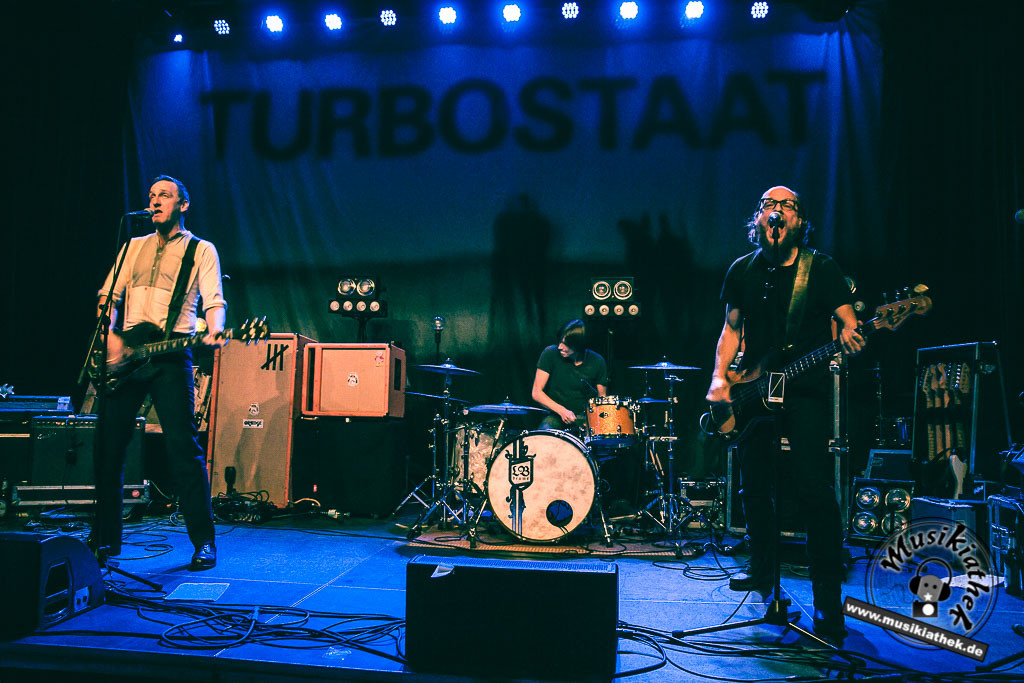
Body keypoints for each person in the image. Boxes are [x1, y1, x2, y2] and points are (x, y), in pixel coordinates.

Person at [705, 185, 865, 645]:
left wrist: (855, 332)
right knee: (752, 484)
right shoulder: (742, 271)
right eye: (769, 206)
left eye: (788, 206)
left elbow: (849, 320)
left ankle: (828, 600)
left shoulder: (822, 268)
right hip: (756, 388)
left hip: (804, 390)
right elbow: (731, 329)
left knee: (815, 490)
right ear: (757, 219)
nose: (777, 212)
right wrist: (719, 378)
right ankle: (761, 569)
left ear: (801, 221)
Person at [92, 175, 228, 570]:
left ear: (182, 205)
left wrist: (216, 327)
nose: (154, 201)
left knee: (184, 450)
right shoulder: (131, 246)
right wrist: (110, 336)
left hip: (171, 354)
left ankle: (204, 542)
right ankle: (103, 542)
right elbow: (108, 297)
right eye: (151, 196)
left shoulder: (201, 250)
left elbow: (214, 300)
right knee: (107, 448)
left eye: (164, 196)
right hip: (127, 356)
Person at [531, 319, 608, 431]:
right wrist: (562, 411)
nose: (560, 347)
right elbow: (537, 392)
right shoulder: (550, 354)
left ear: (579, 345)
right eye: (560, 342)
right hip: (556, 415)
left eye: (566, 344)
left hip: (586, 418)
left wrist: (594, 421)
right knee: (545, 435)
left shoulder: (597, 361)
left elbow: (602, 399)